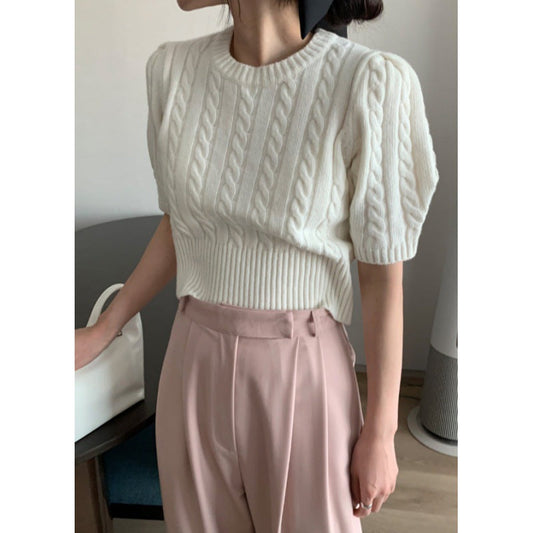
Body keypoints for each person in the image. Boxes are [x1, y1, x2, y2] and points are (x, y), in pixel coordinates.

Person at [75, 0, 440, 531]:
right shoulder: (171, 72)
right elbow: (182, 225)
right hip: (192, 361)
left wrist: (381, 433)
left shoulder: (368, 83)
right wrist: (104, 328)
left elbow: (382, 277)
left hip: (303, 371)